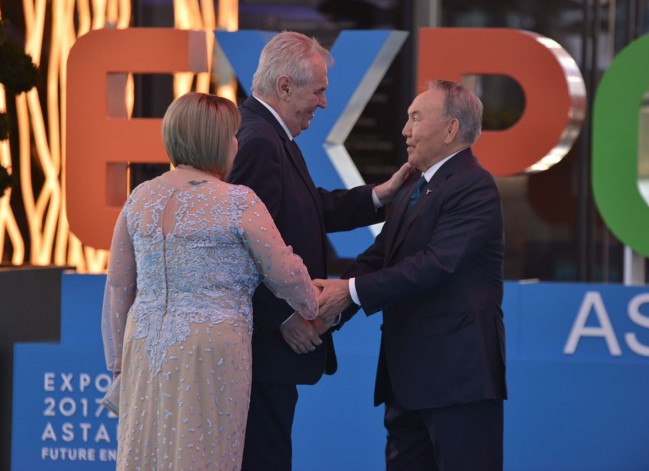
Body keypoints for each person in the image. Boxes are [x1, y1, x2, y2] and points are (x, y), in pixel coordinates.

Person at [101, 92, 320, 470]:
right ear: (218, 141)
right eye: (233, 135)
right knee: (204, 452)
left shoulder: (140, 197)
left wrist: (120, 361)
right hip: (210, 349)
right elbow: (284, 271)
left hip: (144, 345)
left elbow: (119, 285)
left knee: (148, 451)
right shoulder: (237, 201)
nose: (237, 143)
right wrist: (312, 303)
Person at [227, 31, 412, 470]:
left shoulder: (269, 134)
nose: (324, 103)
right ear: (285, 86)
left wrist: (379, 195)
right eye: (319, 91)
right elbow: (239, 247)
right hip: (265, 349)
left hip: (268, 356)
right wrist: (283, 317)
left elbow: (307, 208)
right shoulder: (259, 140)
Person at [315, 80, 507, 470]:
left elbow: (436, 265)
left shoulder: (474, 185)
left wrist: (348, 292)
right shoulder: (412, 185)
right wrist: (326, 312)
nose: (405, 130)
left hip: (457, 383)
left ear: (451, 129)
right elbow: (379, 256)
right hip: (406, 383)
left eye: (416, 118)